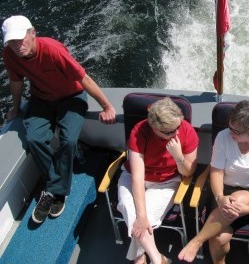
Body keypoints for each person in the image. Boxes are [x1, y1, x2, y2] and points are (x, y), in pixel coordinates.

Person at [1, 15, 117, 224]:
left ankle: (55, 191)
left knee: (68, 140)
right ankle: (56, 187)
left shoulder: (53, 50)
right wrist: (15, 109)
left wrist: (107, 106)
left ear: (33, 33)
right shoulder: (10, 54)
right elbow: (16, 82)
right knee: (35, 139)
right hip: (41, 98)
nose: (17, 46)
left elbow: (84, 79)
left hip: (71, 97)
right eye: (11, 42)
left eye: (20, 39)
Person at [178, 100, 249, 263]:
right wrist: (219, 197)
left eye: (236, 131)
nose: (231, 132)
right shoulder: (223, 137)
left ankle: (197, 241)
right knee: (218, 238)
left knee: (238, 198)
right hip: (223, 193)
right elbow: (216, 172)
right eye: (230, 126)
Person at [117, 97, 199, 264]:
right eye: (169, 131)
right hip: (134, 177)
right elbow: (137, 177)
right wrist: (141, 216)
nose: (176, 133)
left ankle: (141, 259)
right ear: (154, 127)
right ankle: (156, 258)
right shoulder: (139, 132)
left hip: (166, 182)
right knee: (133, 213)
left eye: (177, 127)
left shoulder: (186, 130)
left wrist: (178, 157)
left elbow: (189, 172)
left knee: (142, 220)